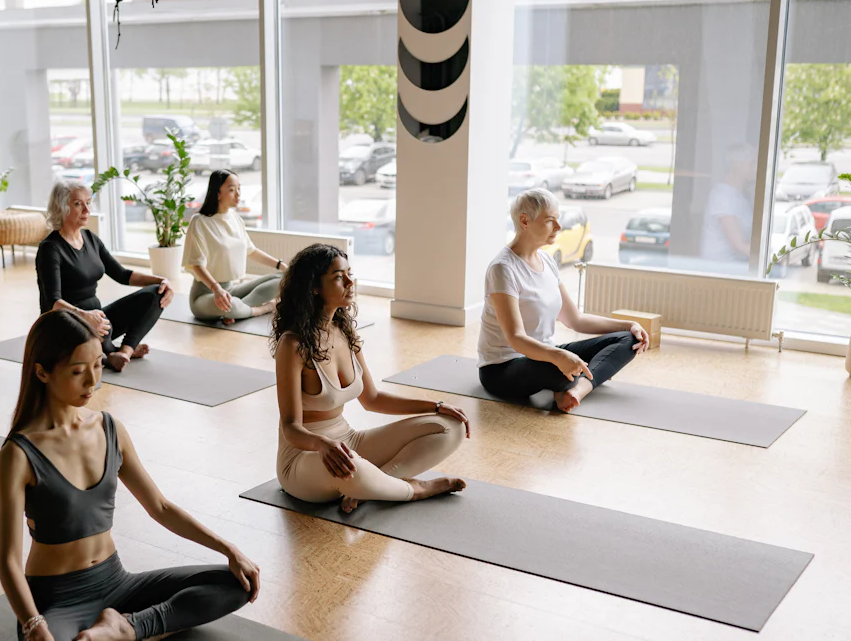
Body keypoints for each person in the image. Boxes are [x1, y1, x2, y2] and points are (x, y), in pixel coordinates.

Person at [0, 311, 259, 641]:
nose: (93, 381)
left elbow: (160, 507)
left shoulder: (110, 429)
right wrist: (33, 624)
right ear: (42, 372)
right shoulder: (18, 454)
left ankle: (127, 628)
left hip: (117, 583)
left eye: (97, 365)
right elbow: (8, 560)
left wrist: (229, 550)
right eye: (78, 371)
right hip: (56, 600)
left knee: (238, 583)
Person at [272, 244, 470, 514]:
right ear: (314, 287)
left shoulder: (344, 330)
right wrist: (322, 444)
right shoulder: (292, 345)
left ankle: (375, 487)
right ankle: (414, 490)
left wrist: (435, 406)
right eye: (339, 277)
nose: (351, 282)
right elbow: (290, 427)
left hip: (349, 441)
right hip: (304, 459)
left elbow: (373, 399)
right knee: (353, 468)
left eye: (349, 274)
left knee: (451, 426)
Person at [478, 188, 650, 413]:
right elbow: (516, 338)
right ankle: (572, 383)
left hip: (544, 354)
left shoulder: (547, 261)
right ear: (524, 221)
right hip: (503, 367)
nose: (559, 227)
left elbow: (575, 320)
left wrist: (629, 325)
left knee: (627, 340)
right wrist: (560, 356)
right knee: (563, 370)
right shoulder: (503, 268)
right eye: (550, 221)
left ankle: (577, 391)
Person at [37, 180, 172, 372]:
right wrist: (85, 316)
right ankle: (107, 354)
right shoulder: (50, 248)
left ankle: (124, 351)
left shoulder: (91, 238)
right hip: (66, 324)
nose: (86, 209)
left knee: (156, 294)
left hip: (98, 320)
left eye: (88, 202)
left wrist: (161, 281)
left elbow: (122, 274)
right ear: (62, 208)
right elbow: (53, 302)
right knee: (97, 324)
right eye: (77, 204)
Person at [183, 170, 285, 323]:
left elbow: (251, 251)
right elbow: (196, 264)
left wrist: (281, 266)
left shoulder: (235, 218)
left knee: (284, 279)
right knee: (232, 305)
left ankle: (236, 310)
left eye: (239, 189)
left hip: (232, 290)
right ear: (217, 193)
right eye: (232, 190)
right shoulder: (199, 222)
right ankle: (259, 309)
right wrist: (217, 289)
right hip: (206, 295)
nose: (238, 194)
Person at [697, 143, 757, 270]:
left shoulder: (738, 196)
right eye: (752, 163)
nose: (756, 168)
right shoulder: (722, 196)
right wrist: (768, 260)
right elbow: (738, 244)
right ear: (737, 165)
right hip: (719, 271)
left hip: (734, 267)